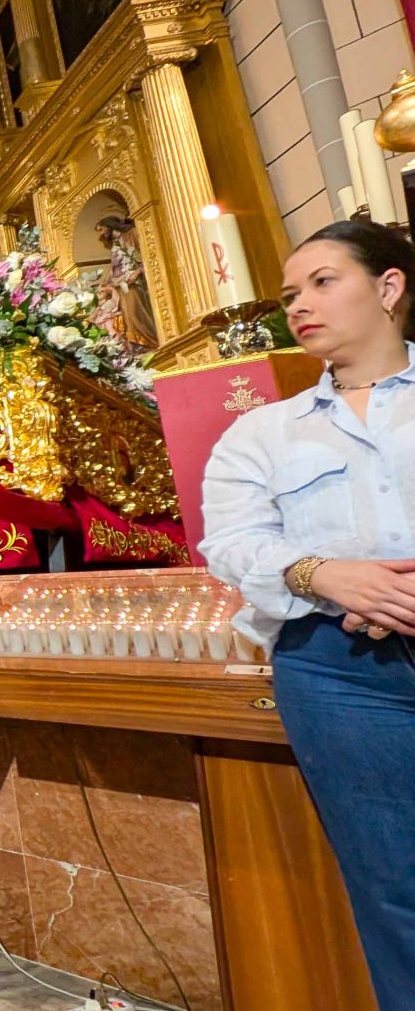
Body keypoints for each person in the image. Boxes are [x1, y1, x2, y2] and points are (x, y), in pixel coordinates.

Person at [199, 219, 415, 1006]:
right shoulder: (261, 432)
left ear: (388, 288)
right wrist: (325, 574)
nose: (299, 304)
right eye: (291, 293)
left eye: (323, 282)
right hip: (341, 675)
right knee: (395, 882)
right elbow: (230, 542)